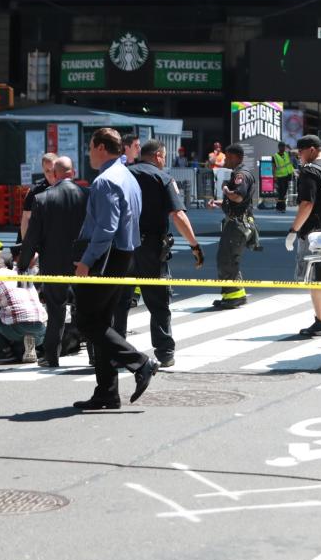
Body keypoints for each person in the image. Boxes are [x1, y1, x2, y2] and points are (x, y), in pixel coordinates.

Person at [73, 128, 158, 409]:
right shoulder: (128, 176)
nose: (88, 154)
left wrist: (86, 260)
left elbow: (106, 228)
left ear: (99, 147)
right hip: (125, 254)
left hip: (107, 257)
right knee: (101, 323)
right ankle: (106, 391)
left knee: (86, 321)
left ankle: (140, 362)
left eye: (90, 147)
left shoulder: (105, 181)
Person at [115, 140, 204, 366]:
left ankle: (117, 352)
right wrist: (194, 245)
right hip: (151, 248)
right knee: (158, 301)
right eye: (164, 157)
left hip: (123, 246)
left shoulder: (123, 174)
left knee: (120, 300)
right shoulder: (162, 178)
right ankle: (164, 353)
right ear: (157, 156)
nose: (164, 161)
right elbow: (178, 215)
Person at [18, 156, 88, 368]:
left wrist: (23, 263)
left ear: (56, 174)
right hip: (82, 262)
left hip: (53, 263)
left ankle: (51, 355)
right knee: (87, 308)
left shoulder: (43, 199)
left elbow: (32, 236)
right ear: (72, 173)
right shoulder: (87, 195)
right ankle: (95, 354)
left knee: (55, 311)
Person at [284, 135, 321, 336]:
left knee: (313, 275)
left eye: (300, 152)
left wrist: (293, 230)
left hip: (314, 232)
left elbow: (307, 204)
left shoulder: (309, 171)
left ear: (311, 149)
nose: (298, 156)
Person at [0, 250, 47, 363]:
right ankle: (27, 346)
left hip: (17, 328)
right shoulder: (20, 274)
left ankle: (3, 350)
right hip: (40, 329)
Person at [209, 143, 257, 310]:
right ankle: (233, 294)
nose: (226, 160)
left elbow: (238, 197)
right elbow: (236, 201)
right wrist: (218, 202)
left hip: (237, 224)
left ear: (237, 157)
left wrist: (225, 191)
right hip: (238, 221)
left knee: (227, 259)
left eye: (228, 157)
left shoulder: (240, 174)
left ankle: (234, 296)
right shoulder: (240, 173)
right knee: (229, 258)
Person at [20, 152, 57, 240]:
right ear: (43, 170)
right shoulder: (35, 190)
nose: (51, 173)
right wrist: (26, 246)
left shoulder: (66, 186)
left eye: (53, 170)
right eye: (47, 171)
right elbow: (26, 219)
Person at [271, 142, 295, 213]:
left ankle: (279, 207)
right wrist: (274, 176)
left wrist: (289, 147)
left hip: (287, 176)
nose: (283, 148)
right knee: (282, 192)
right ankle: (282, 207)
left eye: (284, 147)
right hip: (280, 176)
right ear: (279, 147)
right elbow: (273, 167)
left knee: (283, 192)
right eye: (281, 147)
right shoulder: (275, 156)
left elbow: (295, 152)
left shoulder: (287, 154)